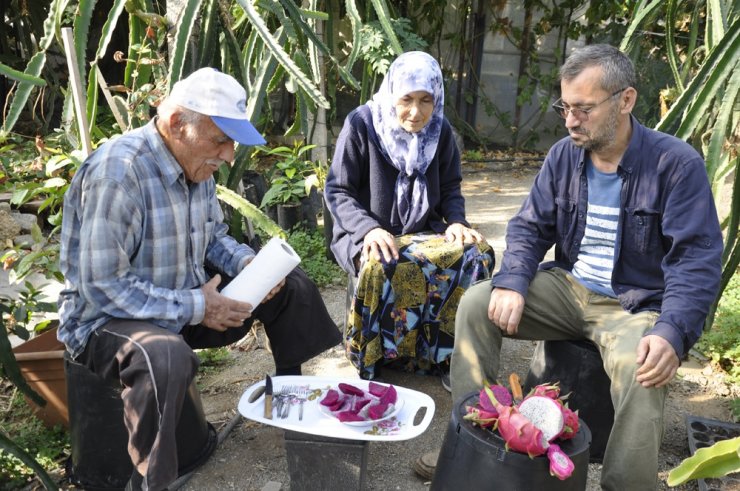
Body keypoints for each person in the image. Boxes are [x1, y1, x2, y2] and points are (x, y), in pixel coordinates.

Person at [446, 44, 722, 490]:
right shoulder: (563, 156)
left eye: (584, 109)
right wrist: (514, 281)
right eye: (565, 107)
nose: (571, 121)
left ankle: (624, 486)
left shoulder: (675, 165)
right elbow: (529, 227)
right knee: (478, 303)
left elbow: (696, 260)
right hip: (569, 288)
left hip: (633, 305)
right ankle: (472, 439)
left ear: (625, 100)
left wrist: (671, 330)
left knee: (642, 366)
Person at [57, 67, 341, 491]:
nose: (228, 156)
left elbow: (214, 238)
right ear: (176, 124)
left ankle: (288, 399)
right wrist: (198, 305)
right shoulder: (119, 173)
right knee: (163, 356)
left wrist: (248, 264)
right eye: (220, 140)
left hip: (181, 307)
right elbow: (102, 285)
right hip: (105, 325)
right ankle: (149, 481)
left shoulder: (196, 165)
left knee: (291, 285)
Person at [325, 51, 494, 386]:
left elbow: (450, 187)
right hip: (367, 230)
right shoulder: (362, 124)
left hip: (422, 230)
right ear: (392, 93)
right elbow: (338, 191)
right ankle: (373, 359)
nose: (416, 112)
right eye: (406, 99)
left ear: (437, 99)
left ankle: (448, 358)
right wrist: (368, 229)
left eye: (425, 100)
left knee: (476, 255)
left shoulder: (440, 130)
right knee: (382, 261)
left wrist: (457, 221)